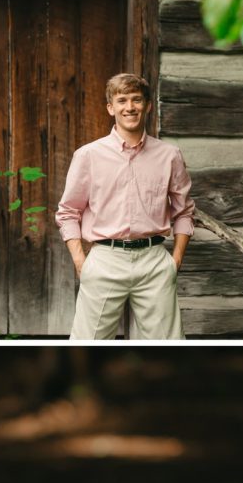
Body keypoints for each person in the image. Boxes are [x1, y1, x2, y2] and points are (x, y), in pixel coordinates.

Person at [55, 71, 194, 340]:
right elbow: (68, 212)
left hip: (154, 261)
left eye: (136, 100)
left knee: (168, 344)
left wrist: (175, 260)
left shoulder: (169, 156)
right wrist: (80, 261)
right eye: (121, 100)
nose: (129, 107)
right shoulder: (88, 155)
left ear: (148, 105)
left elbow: (184, 211)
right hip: (105, 259)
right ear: (111, 108)